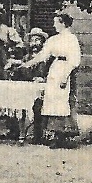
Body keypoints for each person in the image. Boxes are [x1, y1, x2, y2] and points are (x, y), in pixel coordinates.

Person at [12, 13, 82, 147]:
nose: (54, 25)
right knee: (51, 100)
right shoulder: (53, 40)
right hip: (55, 69)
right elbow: (43, 55)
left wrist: (65, 76)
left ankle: (61, 136)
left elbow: (74, 60)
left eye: (56, 22)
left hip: (64, 69)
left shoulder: (72, 39)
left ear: (63, 23)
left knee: (61, 101)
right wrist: (26, 64)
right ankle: (53, 135)